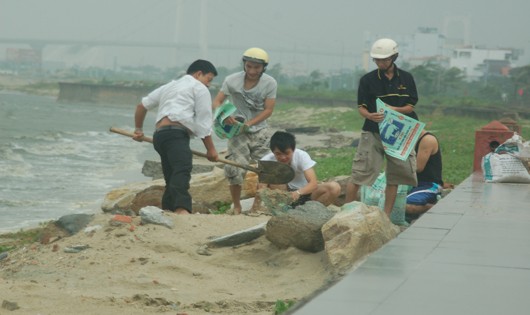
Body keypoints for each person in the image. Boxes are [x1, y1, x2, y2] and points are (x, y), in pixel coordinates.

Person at [133, 59, 219, 215]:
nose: (209, 84)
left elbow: (142, 106)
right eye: (209, 79)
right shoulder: (199, 88)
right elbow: (203, 123)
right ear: (199, 74)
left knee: (171, 174)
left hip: (160, 136)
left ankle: (167, 209)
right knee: (182, 170)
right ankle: (182, 210)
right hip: (175, 134)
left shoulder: (170, 86)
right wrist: (211, 150)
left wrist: (138, 130)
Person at [345, 38, 419, 217]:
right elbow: (361, 107)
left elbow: (411, 106)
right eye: (377, 60)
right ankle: (345, 211)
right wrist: (370, 115)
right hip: (373, 130)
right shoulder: (367, 80)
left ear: (394, 57)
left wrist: (394, 110)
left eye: (384, 60)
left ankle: (385, 215)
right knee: (360, 171)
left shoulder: (406, 78)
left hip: (400, 132)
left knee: (395, 175)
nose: (380, 63)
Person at [212, 47, 278, 214]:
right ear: (244, 65)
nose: (252, 71)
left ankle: (258, 206)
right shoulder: (232, 80)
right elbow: (217, 101)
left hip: (260, 131)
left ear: (264, 68)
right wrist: (224, 115)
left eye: (256, 67)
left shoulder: (270, 83)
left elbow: (268, 110)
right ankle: (237, 206)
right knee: (235, 169)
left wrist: (250, 123)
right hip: (237, 133)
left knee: (266, 169)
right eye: (249, 66)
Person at [251, 131, 341, 211]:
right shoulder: (267, 161)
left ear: (293, 150)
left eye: (286, 153)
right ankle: (283, 209)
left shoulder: (302, 156)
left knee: (334, 187)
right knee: (275, 179)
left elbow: (313, 184)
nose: (283, 157)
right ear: (272, 152)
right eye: (278, 154)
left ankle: (313, 211)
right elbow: (261, 187)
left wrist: (298, 193)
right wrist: (255, 206)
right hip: (284, 196)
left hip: (305, 192)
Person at [405, 130, 443, 223]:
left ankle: (441, 208)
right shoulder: (402, 138)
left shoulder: (427, 140)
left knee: (408, 206)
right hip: (409, 182)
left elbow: (418, 167)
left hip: (427, 184)